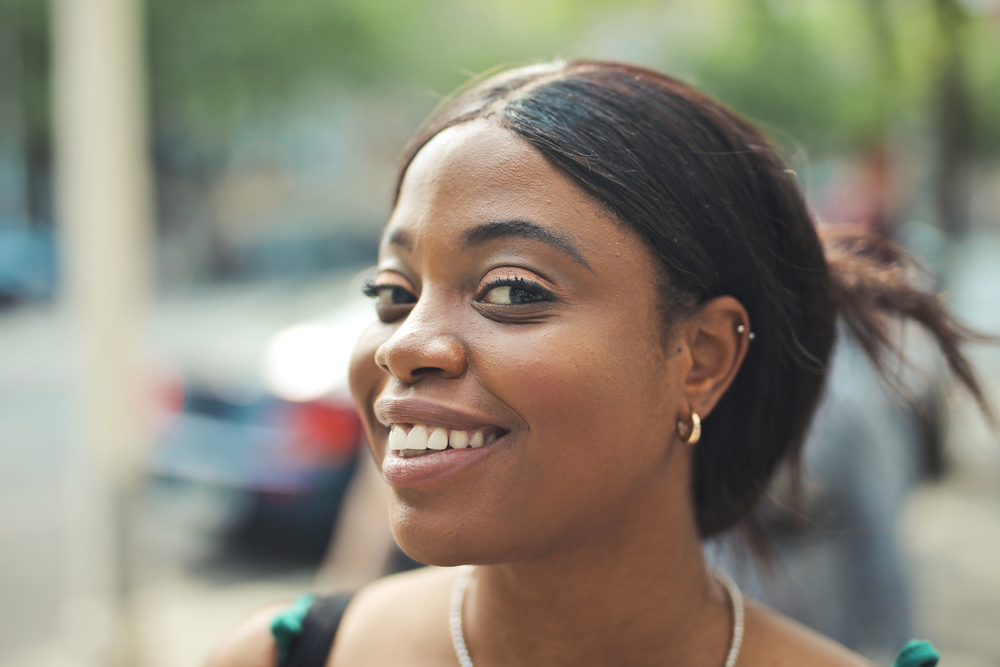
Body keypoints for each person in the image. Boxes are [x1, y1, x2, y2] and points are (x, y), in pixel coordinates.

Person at [207, 60, 989, 667]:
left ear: (701, 357)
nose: (405, 343)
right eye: (393, 292)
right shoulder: (285, 656)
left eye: (511, 289)